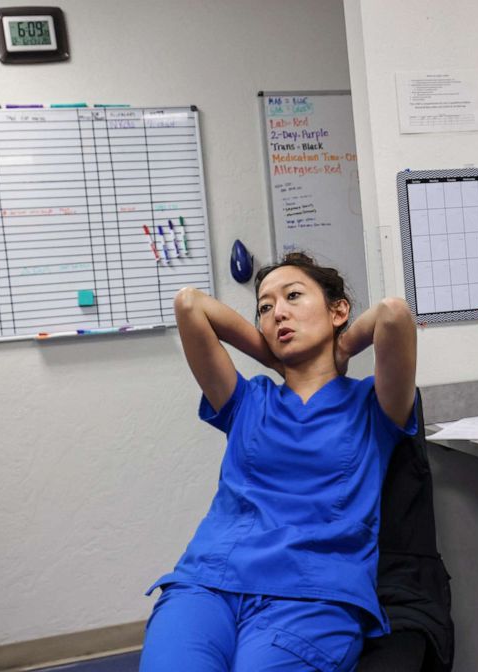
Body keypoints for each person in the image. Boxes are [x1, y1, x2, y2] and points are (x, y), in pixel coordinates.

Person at [140, 252, 418, 672]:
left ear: (338, 310)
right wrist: (270, 356)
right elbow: (189, 304)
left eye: (293, 296)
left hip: (313, 595)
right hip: (210, 581)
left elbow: (394, 315)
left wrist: (341, 347)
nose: (278, 313)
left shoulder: (372, 406)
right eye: (265, 308)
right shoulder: (248, 400)